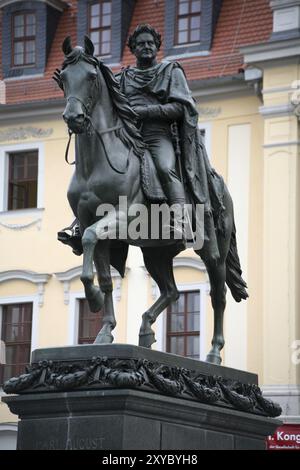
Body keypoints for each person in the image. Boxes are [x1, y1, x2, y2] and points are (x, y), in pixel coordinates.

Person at [59, 24, 223, 261]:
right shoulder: (124, 77)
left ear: (157, 46)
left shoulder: (170, 71)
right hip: (127, 134)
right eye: (140, 44)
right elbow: (99, 95)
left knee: (166, 167)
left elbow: (182, 107)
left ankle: (181, 221)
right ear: (133, 49)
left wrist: (147, 111)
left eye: (150, 43)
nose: (146, 47)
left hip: (159, 135)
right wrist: (69, 84)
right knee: (97, 170)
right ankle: (80, 223)